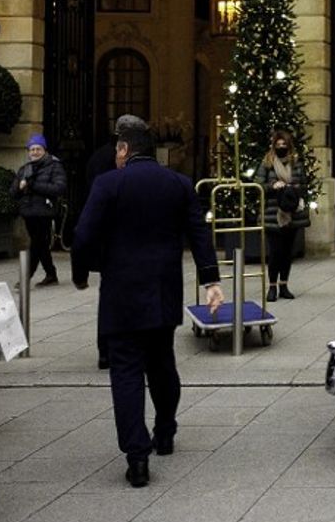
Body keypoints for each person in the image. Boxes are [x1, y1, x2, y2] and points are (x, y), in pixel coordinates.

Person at [73, 121, 223, 489]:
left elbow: (83, 234)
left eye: (117, 151)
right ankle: (166, 429)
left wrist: (82, 272)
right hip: (162, 291)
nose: (116, 156)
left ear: (124, 150)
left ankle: (137, 457)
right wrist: (211, 281)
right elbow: (199, 233)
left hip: (121, 294)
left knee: (126, 373)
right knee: (162, 363)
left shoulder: (108, 183)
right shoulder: (179, 184)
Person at [76, 114, 148, 370]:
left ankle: (107, 351)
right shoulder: (119, 163)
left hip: (108, 242)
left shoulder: (97, 158)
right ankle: (121, 348)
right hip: (123, 240)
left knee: (109, 300)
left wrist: (80, 270)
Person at [258, 130, 309, 302]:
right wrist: (273, 185)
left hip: (292, 213)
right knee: (275, 252)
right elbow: (259, 184)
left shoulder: (296, 163)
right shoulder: (267, 162)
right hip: (273, 214)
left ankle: (284, 285)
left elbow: (304, 185)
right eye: (278, 145)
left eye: (284, 144)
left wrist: (292, 187)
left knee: (287, 252)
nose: (281, 147)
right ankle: (272, 286)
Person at [11, 134, 67, 287]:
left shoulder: (54, 166)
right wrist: (19, 187)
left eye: (38, 149)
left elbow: (59, 188)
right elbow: (13, 192)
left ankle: (26, 277)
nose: (35, 152)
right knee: (41, 244)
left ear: (44, 150)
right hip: (28, 213)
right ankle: (51, 274)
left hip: (44, 212)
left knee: (36, 244)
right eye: (32, 149)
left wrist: (33, 185)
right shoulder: (24, 169)